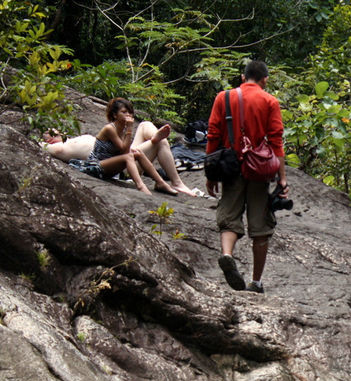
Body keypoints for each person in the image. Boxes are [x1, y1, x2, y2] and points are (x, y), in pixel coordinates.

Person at [205, 60, 289, 294]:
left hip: (230, 167)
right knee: (260, 226)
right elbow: (276, 142)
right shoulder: (269, 101)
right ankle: (256, 282)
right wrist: (282, 178)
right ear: (265, 80)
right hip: (259, 170)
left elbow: (213, 134)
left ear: (243, 78)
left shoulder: (224, 97)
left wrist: (210, 173)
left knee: (229, 216)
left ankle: (227, 254)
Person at [42, 105, 196, 196]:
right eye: (51, 133)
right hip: (123, 166)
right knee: (160, 142)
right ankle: (176, 182)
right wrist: (40, 143)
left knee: (145, 125)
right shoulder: (58, 146)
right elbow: (45, 149)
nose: (56, 131)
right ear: (49, 139)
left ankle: (154, 137)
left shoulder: (72, 138)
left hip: (125, 155)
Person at [85, 98, 179, 196]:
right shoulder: (109, 129)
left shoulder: (122, 129)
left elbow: (125, 151)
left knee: (138, 153)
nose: (128, 115)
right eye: (124, 112)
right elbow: (124, 150)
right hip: (97, 166)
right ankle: (140, 186)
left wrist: (129, 137)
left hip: (111, 167)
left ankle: (160, 182)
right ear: (115, 115)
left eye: (130, 113)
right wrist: (129, 129)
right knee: (129, 156)